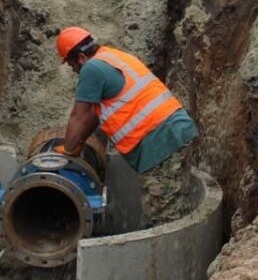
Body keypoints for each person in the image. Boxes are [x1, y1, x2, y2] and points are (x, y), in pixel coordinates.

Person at [53, 26, 197, 173]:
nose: (74, 71)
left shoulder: (91, 68)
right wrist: (79, 142)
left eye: (72, 65)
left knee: (161, 193)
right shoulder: (110, 56)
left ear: (81, 57)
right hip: (173, 131)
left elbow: (79, 116)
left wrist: (68, 150)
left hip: (160, 140)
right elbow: (91, 115)